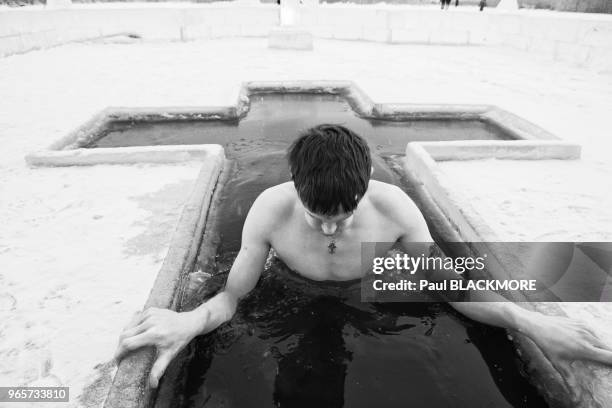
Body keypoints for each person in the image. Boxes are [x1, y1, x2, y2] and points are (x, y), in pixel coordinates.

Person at [115, 124, 612, 389]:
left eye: (344, 216)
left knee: (532, 272)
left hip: (372, 285)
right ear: (297, 190)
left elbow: (450, 285)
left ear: (364, 190)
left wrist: (528, 322)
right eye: (317, 216)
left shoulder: (394, 208)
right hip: (293, 289)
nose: (331, 228)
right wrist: (190, 320)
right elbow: (232, 296)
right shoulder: (270, 209)